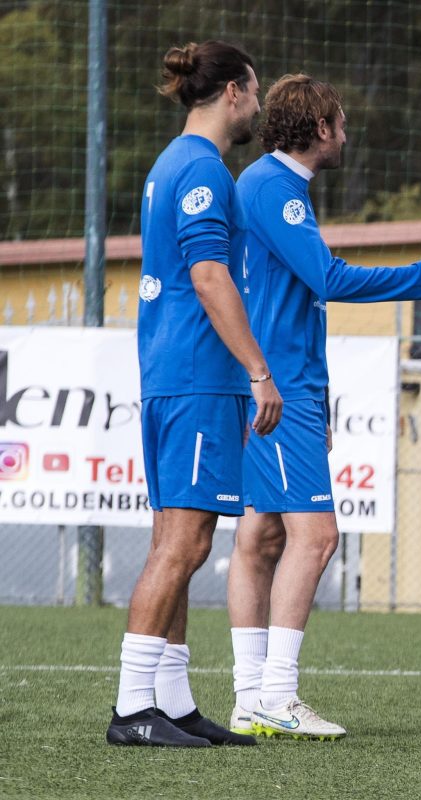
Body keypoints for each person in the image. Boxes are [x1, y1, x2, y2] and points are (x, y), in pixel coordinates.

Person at [225, 75, 421, 741]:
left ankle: (250, 696)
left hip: (287, 383)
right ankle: (274, 696)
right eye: (340, 124)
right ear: (319, 129)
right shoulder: (271, 187)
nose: (346, 135)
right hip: (278, 389)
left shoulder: (273, 185)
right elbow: (329, 278)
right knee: (315, 537)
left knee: (260, 537)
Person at [107, 41, 280, 748]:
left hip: (175, 376)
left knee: (185, 539)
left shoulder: (172, 163)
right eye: (256, 91)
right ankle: (130, 709)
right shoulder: (203, 168)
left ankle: (171, 702)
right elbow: (210, 277)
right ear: (234, 91)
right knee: (181, 544)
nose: (260, 105)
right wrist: (259, 371)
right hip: (197, 379)